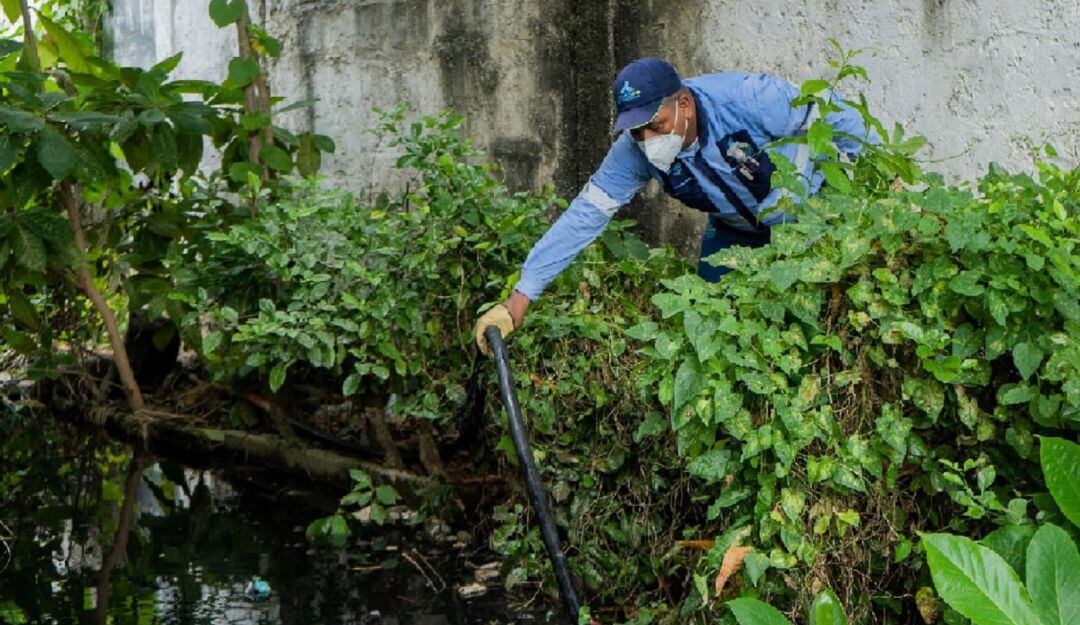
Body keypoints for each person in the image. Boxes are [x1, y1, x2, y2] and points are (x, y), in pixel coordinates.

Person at [474, 57, 872, 355]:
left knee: (817, 331)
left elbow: (838, 117)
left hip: (807, 223)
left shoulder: (749, 98)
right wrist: (521, 296)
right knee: (713, 332)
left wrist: (874, 185)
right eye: (637, 129)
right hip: (735, 231)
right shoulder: (635, 151)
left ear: (683, 104)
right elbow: (586, 213)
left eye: (656, 124)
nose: (647, 138)